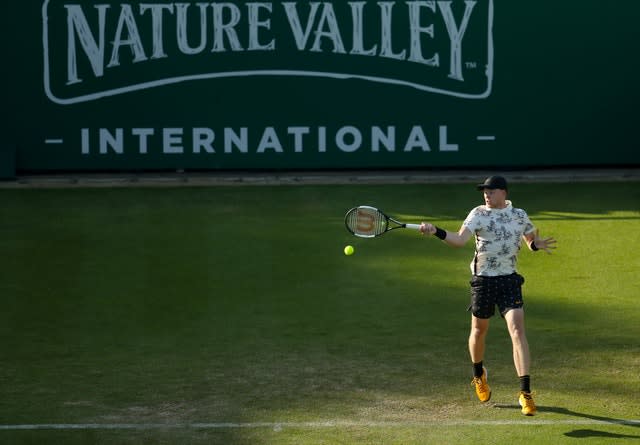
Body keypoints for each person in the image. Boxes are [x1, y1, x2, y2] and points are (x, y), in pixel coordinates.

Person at [419, 175, 556, 416]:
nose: (486, 194)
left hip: (509, 280)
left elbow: (529, 240)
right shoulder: (478, 214)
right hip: (483, 280)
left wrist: (537, 244)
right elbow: (459, 240)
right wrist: (436, 231)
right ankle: (478, 374)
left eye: (491, 191)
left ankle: (525, 393)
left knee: (517, 330)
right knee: (479, 331)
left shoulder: (519, 215)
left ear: (503, 192)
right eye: (484, 191)